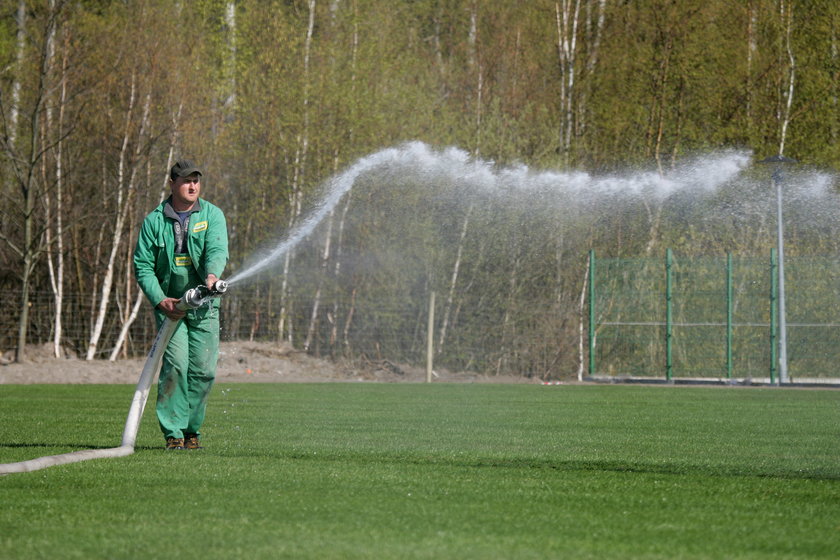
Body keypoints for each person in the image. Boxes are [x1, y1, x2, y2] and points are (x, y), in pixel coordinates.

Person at [133, 160, 229, 450]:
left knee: (204, 371)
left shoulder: (212, 214)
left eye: (196, 181)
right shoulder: (154, 221)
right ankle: (173, 433)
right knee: (175, 366)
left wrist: (212, 275)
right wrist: (160, 300)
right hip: (170, 308)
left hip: (204, 307)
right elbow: (143, 266)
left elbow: (216, 248)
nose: (193, 186)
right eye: (186, 181)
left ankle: (191, 430)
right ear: (172, 183)